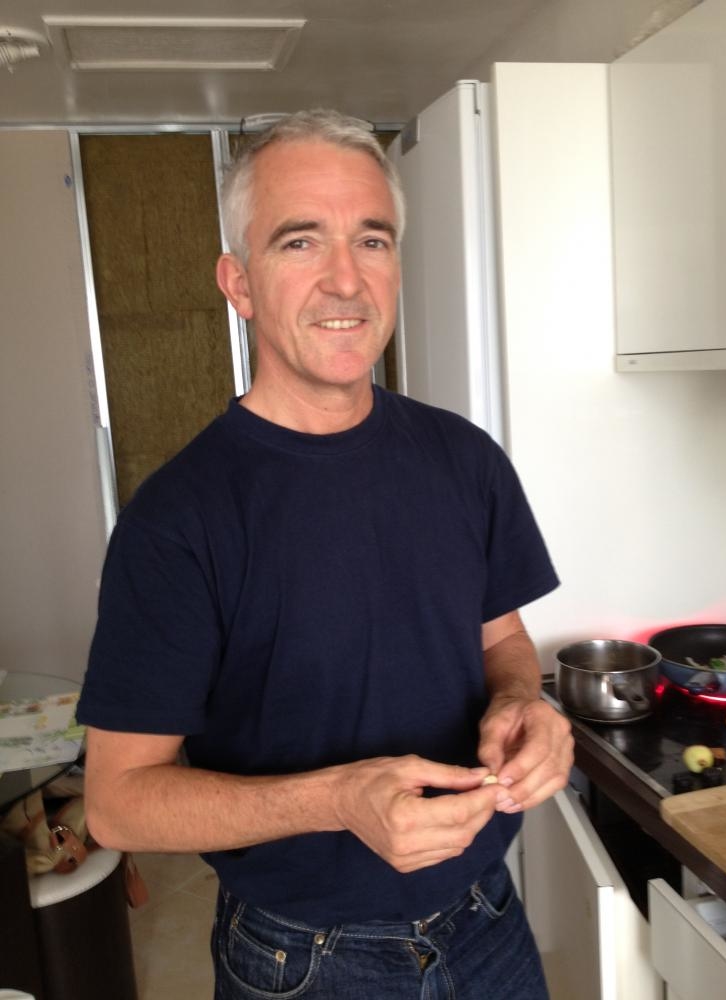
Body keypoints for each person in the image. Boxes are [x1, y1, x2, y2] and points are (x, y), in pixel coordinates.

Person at [78, 109, 573, 1000]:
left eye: (371, 240)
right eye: (300, 241)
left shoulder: (465, 460)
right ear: (239, 283)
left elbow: (501, 637)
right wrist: (335, 801)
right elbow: (118, 804)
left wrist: (519, 702)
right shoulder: (178, 521)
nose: (347, 279)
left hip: (488, 922)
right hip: (304, 961)